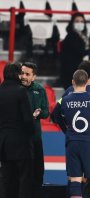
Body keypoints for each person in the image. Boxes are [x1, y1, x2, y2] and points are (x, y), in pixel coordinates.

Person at [60, 69, 90, 198]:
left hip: (72, 143)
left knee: (75, 181)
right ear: (87, 82)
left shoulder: (65, 100)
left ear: (73, 82)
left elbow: (63, 119)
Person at [0, 62, 36, 198]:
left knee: (6, 180)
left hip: (4, 144)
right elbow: (28, 120)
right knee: (24, 180)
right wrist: (31, 133)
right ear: (16, 74)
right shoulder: (21, 91)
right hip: (21, 144)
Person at [20, 62, 49, 198]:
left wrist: (38, 113)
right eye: (22, 73)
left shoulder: (39, 89)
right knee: (21, 172)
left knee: (38, 170)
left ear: (34, 76)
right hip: (19, 138)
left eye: (27, 74)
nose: (23, 77)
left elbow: (46, 112)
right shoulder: (16, 89)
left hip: (35, 137)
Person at [60, 12, 89, 89]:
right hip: (71, 73)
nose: (80, 23)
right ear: (72, 23)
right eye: (77, 21)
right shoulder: (70, 36)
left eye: (82, 21)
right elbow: (79, 51)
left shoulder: (83, 36)